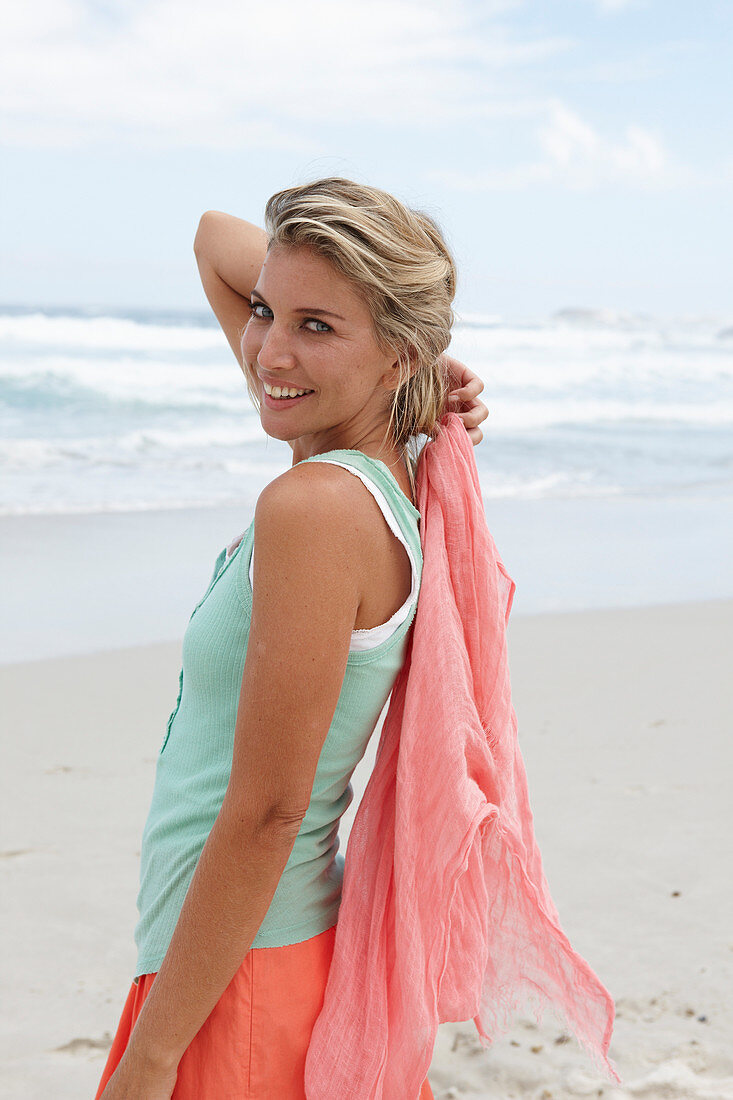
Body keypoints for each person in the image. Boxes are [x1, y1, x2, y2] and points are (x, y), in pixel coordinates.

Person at [95, 177, 489, 1099]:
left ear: (396, 356)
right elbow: (212, 237)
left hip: (234, 982)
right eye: (266, 311)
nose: (269, 351)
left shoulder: (316, 506)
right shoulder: (366, 472)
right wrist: (400, 354)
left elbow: (271, 810)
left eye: (318, 327)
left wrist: (152, 1058)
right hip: (240, 951)